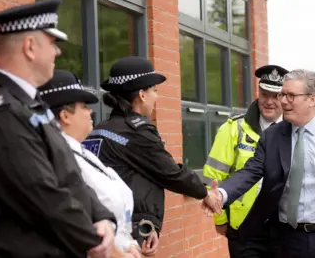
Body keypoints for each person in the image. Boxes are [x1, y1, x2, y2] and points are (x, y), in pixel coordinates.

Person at [0, 0, 117, 258]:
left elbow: (69, 173)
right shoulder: (0, 114)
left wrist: (101, 216)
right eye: (53, 43)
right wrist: (95, 241)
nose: (58, 53)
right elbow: (45, 197)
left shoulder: (26, 102)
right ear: (30, 46)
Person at [202, 69, 315, 258]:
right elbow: (249, 172)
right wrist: (221, 194)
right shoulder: (272, 136)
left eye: (291, 96)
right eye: (283, 94)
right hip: (288, 239)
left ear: (312, 99)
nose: (283, 101)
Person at [85, 56, 210, 256]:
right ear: (142, 94)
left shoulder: (100, 130)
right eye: (154, 90)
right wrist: (206, 194)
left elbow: (134, 177)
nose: (156, 97)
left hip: (104, 227)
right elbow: (170, 173)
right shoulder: (136, 133)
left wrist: (150, 224)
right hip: (124, 235)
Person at [38, 69, 142, 258]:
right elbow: (81, 222)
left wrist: (131, 244)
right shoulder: (59, 159)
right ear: (65, 116)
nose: (90, 112)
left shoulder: (82, 152)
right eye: (84, 106)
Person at [203, 65, 288, 258]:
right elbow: (213, 178)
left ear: (284, 97)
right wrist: (220, 219)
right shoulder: (233, 129)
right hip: (244, 227)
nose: (269, 101)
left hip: (283, 228)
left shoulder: (293, 131)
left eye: (276, 96)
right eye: (264, 94)